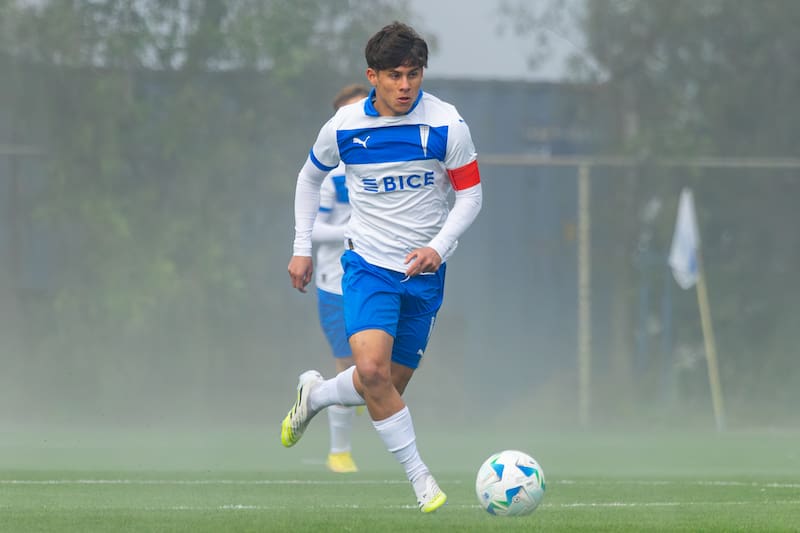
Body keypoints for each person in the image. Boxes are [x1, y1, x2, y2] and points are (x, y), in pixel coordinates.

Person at [283, 21, 482, 513]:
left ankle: (317, 395)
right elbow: (309, 180)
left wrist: (438, 245)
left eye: (414, 74)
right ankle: (422, 481)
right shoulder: (345, 126)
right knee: (370, 370)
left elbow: (471, 195)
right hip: (367, 265)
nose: (405, 86)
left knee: (384, 385)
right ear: (372, 75)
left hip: (424, 275)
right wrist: (301, 246)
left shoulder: (446, 125)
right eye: (394, 75)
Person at [311, 83, 371, 474]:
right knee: (349, 368)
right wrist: (351, 233)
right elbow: (313, 229)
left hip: (379, 276)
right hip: (335, 281)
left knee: (378, 368)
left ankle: (356, 393)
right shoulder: (329, 174)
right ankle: (339, 453)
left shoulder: (384, 164)